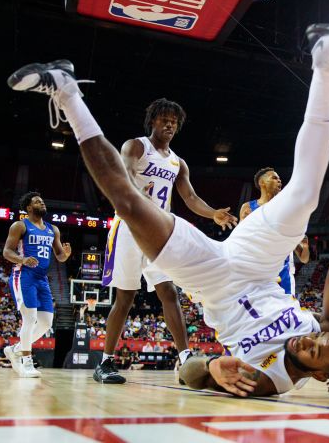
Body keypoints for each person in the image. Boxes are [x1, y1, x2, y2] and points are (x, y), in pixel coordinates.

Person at [7, 23, 329, 397]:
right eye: (319, 337)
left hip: (213, 280)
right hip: (257, 264)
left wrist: (209, 369)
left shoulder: (265, 380)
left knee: (126, 203)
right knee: (307, 194)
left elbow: (189, 374)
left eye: (313, 351)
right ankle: (326, 61)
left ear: (320, 376)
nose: (309, 339)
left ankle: (67, 91)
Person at [95, 97, 238, 384]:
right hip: (129, 225)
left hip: (159, 230)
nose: (170, 123)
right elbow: (122, 172)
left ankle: (184, 357)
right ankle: (106, 362)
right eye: (164, 118)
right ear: (153, 121)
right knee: (125, 297)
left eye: (174, 120)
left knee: (168, 292)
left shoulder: (177, 163)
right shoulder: (136, 145)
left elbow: (191, 198)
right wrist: (138, 192)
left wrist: (214, 215)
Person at [2, 192, 72, 377]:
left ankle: (15, 349)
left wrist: (65, 254)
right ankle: (26, 362)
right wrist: (22, 259)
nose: (41, 202)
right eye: (37, 201)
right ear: (29, 208)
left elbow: (59, 257)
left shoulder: (52, 229)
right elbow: (7, 252)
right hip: (23, 275)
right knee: (30, 318)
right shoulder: (19, 225)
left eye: (42, 200)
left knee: (46, 322)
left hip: (42, 278)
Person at [240, 167, 310, 297]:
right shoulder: (248, 208)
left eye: (279, 178)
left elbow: (304, 258)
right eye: (274, 178)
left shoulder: (288, 211)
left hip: (283, 273)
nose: (279, 180)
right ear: (262, 183)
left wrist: (304, 247)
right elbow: (241, 242)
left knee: (286, 314)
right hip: (257, 272)